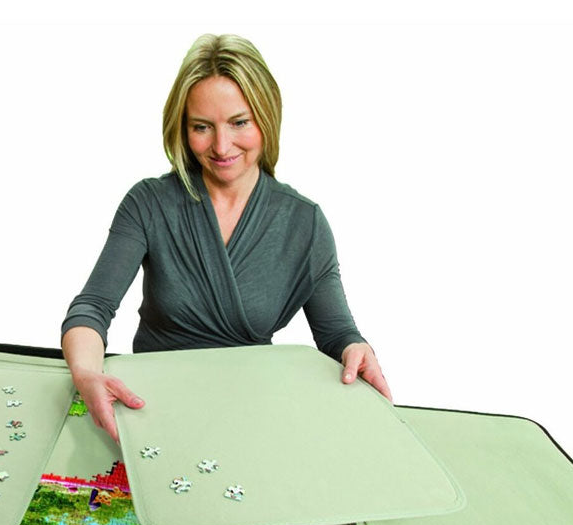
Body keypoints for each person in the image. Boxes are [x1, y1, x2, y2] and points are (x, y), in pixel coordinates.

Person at [61, 33, 391, 444]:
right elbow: (92, 307)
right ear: (182, 128)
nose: (221, 146)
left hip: (252, 420)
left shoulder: (304, 222)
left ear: (266, 117)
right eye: (202, 127)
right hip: (151, 411)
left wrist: (357, 349)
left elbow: (338, 336)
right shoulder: (148, 203)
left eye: (239, 123)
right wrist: (87, 373)